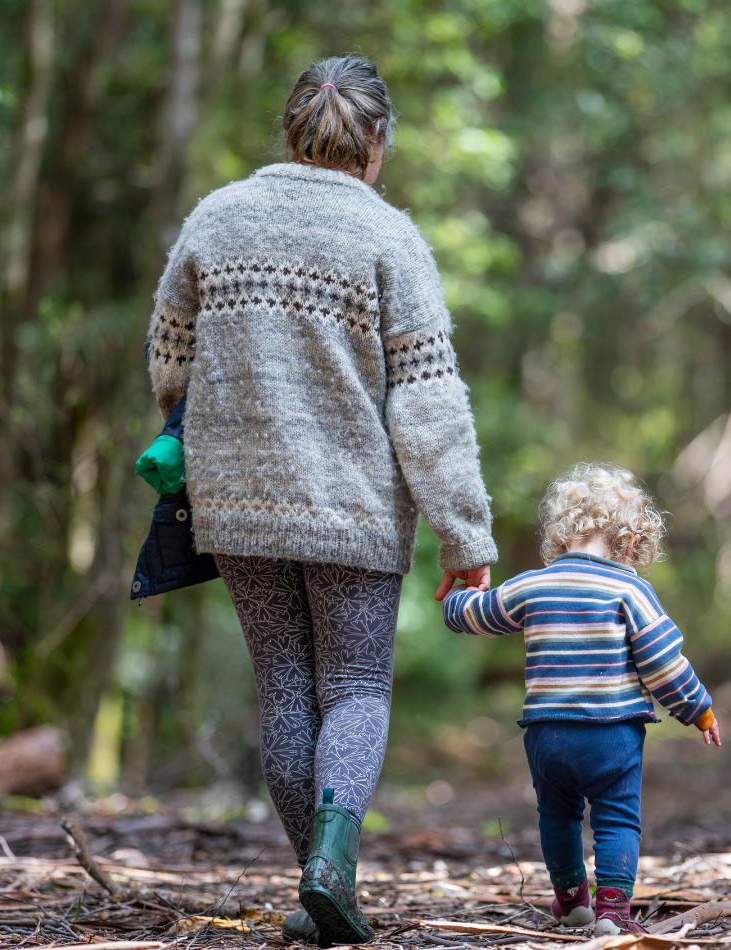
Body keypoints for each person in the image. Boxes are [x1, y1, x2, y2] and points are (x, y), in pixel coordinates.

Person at [144, 54, 498, 947]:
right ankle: (329, 871)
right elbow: (426, 402)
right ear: (376, 141)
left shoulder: (216, 219)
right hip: (354, 507)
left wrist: (214, 431)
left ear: (291, 127)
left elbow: (170, 356)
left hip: (238, 504)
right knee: (354, 686)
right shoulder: (388, 237)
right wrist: (465, 531)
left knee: (286, 692)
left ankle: (319, 888)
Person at [442, 463, 721, 935]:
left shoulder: (532, 585)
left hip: (546, 733)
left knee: (557, 816)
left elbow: (475, 615)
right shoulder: (631, 590)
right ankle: (612, 912)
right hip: (611, 733)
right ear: (632, 541)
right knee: (617, 818)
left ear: (562, 530)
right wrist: (699, 710)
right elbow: (663, 664)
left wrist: (458, 597)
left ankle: (572, 902)